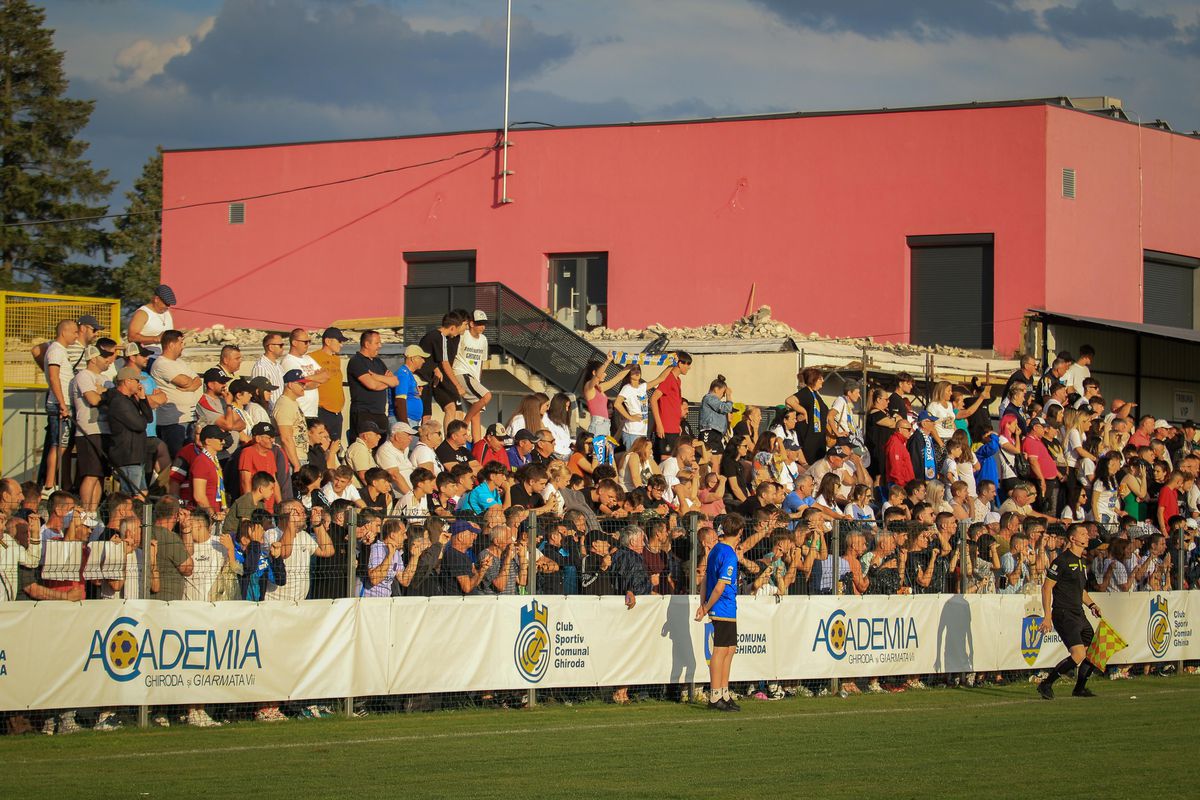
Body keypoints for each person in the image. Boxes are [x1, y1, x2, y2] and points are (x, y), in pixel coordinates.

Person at [1037, 523, 1104, 700]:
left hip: (1078, 613)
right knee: (1078, 654)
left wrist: (1092, 605)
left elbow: (1080, 590)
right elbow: (1046, 588)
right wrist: (1047, 617)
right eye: (1083, 534)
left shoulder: (1081, 562)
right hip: (1064, 613)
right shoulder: (1061, 561)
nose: (1087, 536)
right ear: (1073, 538)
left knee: (1092, 652)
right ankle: (1046, 684)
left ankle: (1079, 688)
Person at [696, 513, 744, 711]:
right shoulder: (729, 554)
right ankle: (715, 696)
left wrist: (702, 602)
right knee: (720, 650)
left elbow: (706, 578)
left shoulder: (716, 549)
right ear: (740, 532)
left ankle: (723, 692)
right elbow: (719, 586)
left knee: (729, 649)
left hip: (725, 606)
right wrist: (706, 606)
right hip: (722, 605)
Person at [37, 319, 79, 496]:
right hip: (59, 404)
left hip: (64, 403)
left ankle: (54, 482)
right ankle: (49, 484)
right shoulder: (55, 351)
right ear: (64, 332)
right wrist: (62, 403)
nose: (77, 336)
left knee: (62, 443)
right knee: (58, 444)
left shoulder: (61, 351)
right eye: (75, 332)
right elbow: (54, 378)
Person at [150, 330, 202, 458]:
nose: (183, 346)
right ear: (171, 344)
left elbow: (198, 381)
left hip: (189, 418)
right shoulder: (161, 364)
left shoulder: (180, 363)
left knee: (190, 458)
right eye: (181, 343)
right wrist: (189, 383)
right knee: (177, 459)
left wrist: (190, 385)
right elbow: (184, 381)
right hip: (172, 422)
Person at [106, 365, 155, 498]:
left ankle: (139, 518)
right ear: (127, 381)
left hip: (136, 455)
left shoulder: (131, 400)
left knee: (142, 493)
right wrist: (141, 417)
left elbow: (149, 418)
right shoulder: (119, 402)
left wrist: (143, 399)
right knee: (131, 495)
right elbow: (139, 425)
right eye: (136, 380)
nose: (139, 384)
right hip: (127, 455)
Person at [346, 330, 397, 442]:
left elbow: (395, 381)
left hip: (380, 413)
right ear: (367, 344)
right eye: (377, 343)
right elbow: (371, 385)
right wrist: (386, 381)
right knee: (365, 447)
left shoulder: (378, 362)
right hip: (364, 413)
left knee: (380, 448)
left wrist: (376, 377)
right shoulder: (356, 361)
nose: (380, 346)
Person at [453, 310, 494, 437]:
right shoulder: (463, 335)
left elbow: (481, 362)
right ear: (471, 324)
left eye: (484, 324)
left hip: (473, 377)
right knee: (487, 396)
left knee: (476, 414)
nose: (482, 327)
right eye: (479, 323)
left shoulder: (483, 339)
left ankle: (477, 447)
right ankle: (465, 423)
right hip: (461, 372)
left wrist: (478, 380)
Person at [280, 327, 332, 422]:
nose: (308, 345)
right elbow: (303, 384)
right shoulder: (288, 361)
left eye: (309, 342)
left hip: (313, 412)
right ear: (294, 343)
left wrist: (308, 378)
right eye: (305, 342)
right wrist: (317, 380)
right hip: (300, 412)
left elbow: (326, 375)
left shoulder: (308, 358)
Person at [310, 326, 351, 443]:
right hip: (322, 410)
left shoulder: (337, 359)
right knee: (322, 444)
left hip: (337, 411)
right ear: (328, 341)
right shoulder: (313, 357)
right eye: (339, 341)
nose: (341, 345)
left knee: (335, 445)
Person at [649, 352, 692, 460]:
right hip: (665, 428)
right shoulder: (669, 378)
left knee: (673, 459)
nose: (689, 367)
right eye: (687, 364)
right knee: (665, 460)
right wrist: (659, 424)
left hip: (673, 428)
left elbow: (673, 404)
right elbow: (653, 398)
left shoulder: (677, 380)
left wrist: (677, 423)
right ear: (679, 363)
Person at [126, 284, 177, 353]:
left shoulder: (168, 313)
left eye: (169, 304)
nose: (168, 307)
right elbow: (131, 337)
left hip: (165, 356)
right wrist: (156, 339)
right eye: (166, 303)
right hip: (148, 356)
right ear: (156, 299)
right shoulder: (143, 313)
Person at [393, 344, 430, 427]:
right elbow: (400, 400)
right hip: (406, 420)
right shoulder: (403, 374)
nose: (423, 361)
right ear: (413, 358)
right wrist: (405, 424)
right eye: (421, 358)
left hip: (411, 420)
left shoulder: (408, 374)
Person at [250, 332, 287, 409]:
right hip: (271, 411)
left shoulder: (278, 366)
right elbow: (260, 394)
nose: (283, 348)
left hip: (280, 409)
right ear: (271, 347)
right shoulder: (261, 367)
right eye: (280, 345)